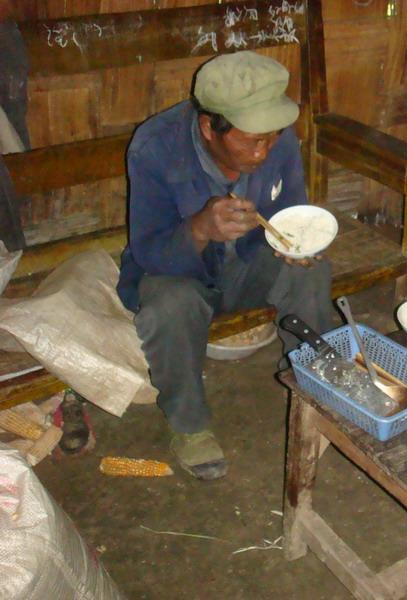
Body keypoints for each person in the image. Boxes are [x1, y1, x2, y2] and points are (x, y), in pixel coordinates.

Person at [117, 51, 333, 480]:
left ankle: (314, 386)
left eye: (272, 136)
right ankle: (190, 425)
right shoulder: (155, 147)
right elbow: (149, 252)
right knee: (169, 305)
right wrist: (199, 229)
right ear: (208, 127)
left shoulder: (278, 140)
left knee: (310, 271)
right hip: (180, 273)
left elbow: (292, 210)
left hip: (250, 265)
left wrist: (297, 244)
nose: (265, 148)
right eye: (253, 139)